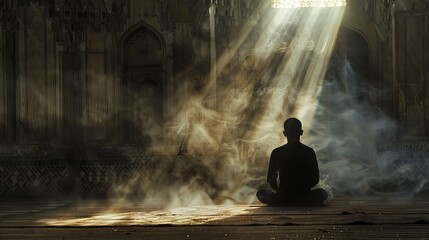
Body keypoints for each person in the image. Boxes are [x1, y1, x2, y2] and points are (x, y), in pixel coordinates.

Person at [257, 118, 328, 206]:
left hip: (284, 196)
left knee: (261, 193)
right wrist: (303, 190)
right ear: (301, 132)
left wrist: (280, 191)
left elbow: (271, 180)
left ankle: (283, 201)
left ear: (284, 133)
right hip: (304, 195)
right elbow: (315, 179)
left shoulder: (277, 152)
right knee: (322, 193)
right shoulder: (309, 152)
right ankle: (303, 201)